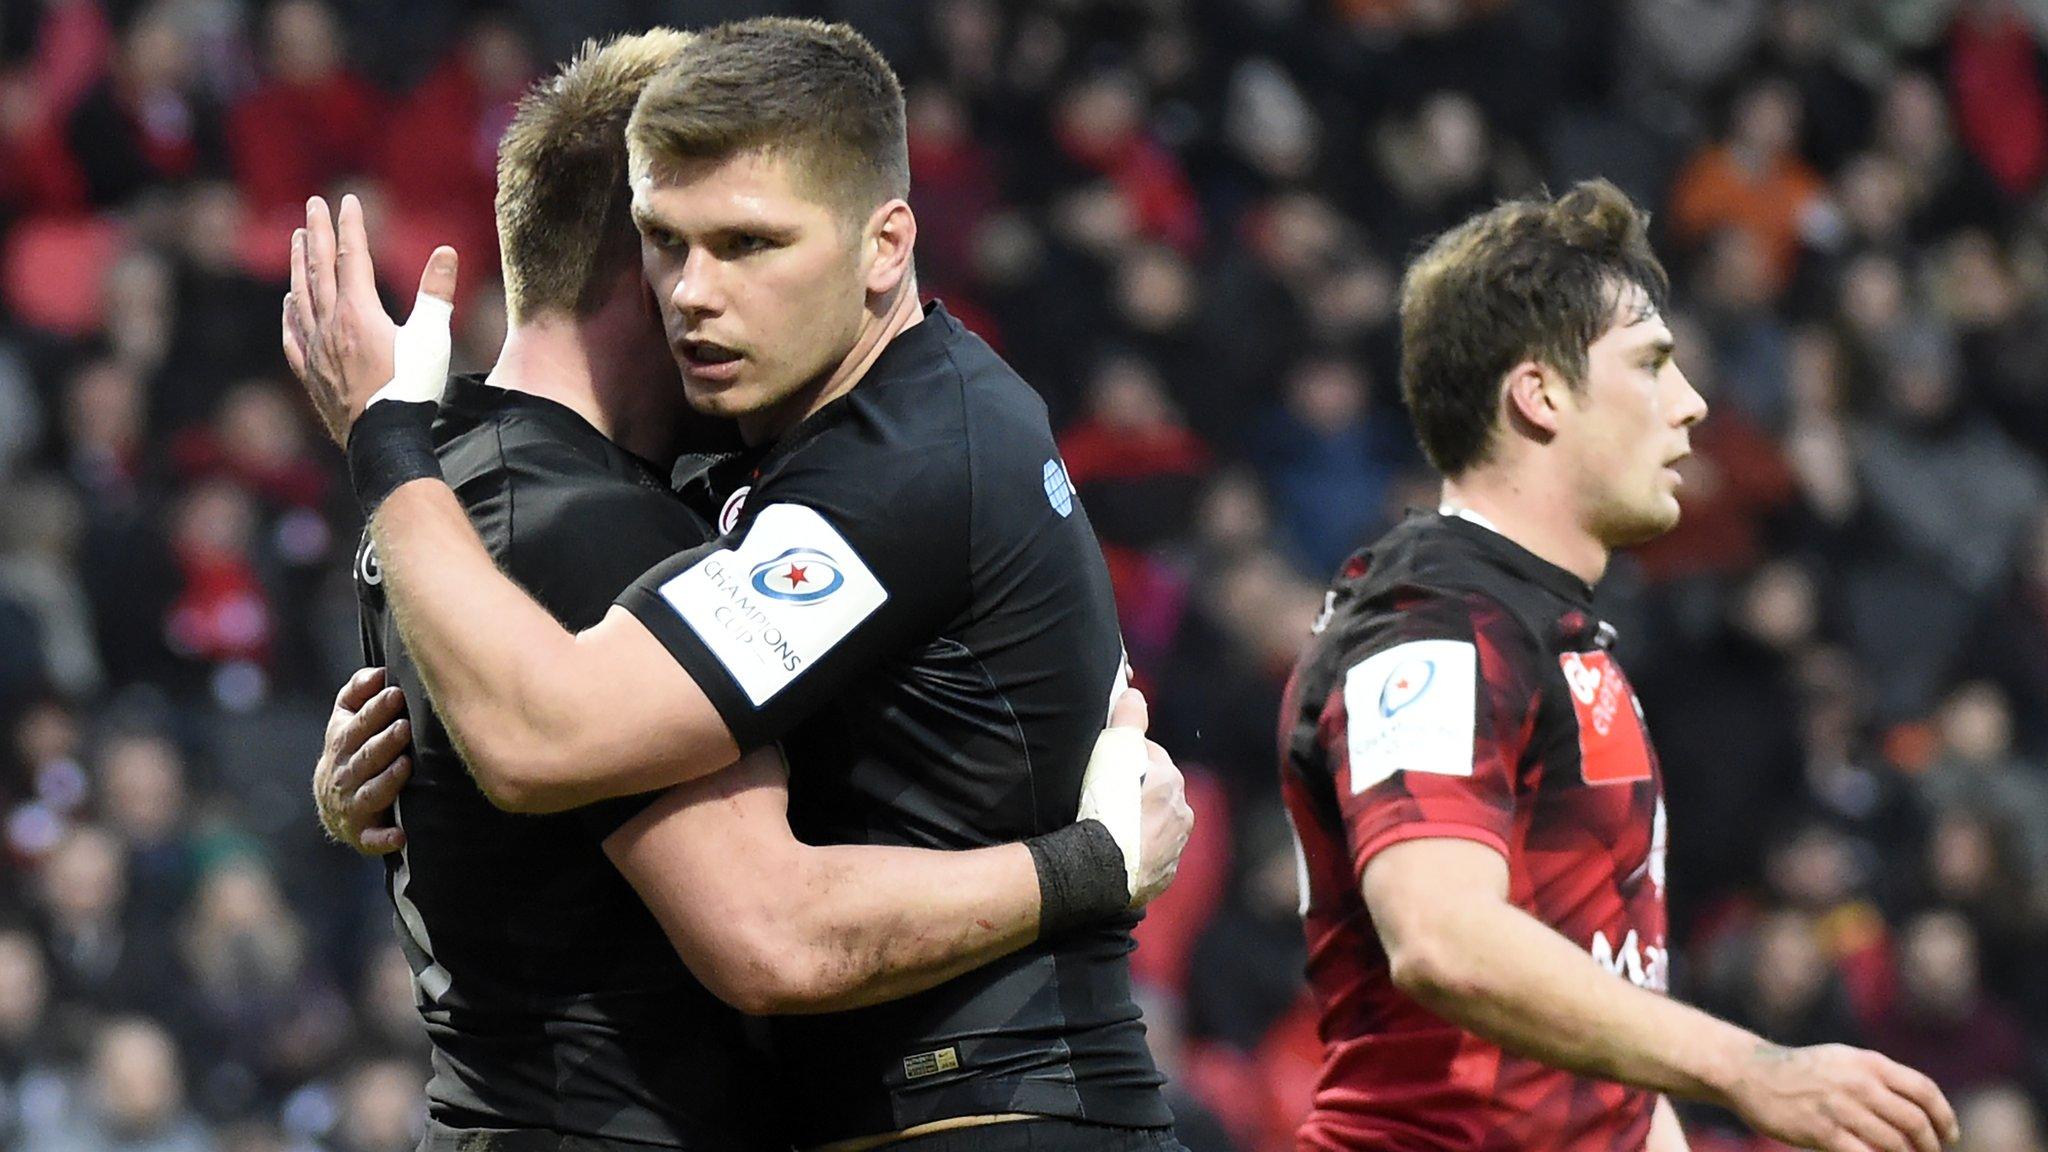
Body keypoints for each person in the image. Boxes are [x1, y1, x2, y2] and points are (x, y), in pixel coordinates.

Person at [286, 18, 1189, 1152]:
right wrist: (414, 776)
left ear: (884, 243)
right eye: (670, 241)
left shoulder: (885, 466)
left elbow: (745, 913)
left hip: (991, 1107)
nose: (695, 293)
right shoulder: (639, 483)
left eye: (749, 243)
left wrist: (385, 441)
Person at [1277, 180, 1961, 1152]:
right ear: (1539, 394)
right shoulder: (1432, 627)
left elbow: (1597, 1030)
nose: (1687, 406)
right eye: (1649, 365)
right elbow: (1441, 938)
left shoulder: (1547, 633)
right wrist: (1749, 1069)